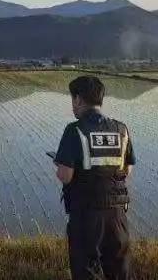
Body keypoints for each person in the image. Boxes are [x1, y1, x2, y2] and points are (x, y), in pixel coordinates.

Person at [54, 75, 135, 280]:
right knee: (118, 272)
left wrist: (59, 166)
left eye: (72, 99)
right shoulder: (121, 129)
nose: (72, 105)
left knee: (86, 270)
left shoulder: (75, 130)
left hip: (86, 215)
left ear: (79, 99)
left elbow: (65, 176)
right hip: (117, 216)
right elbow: (127, 170)